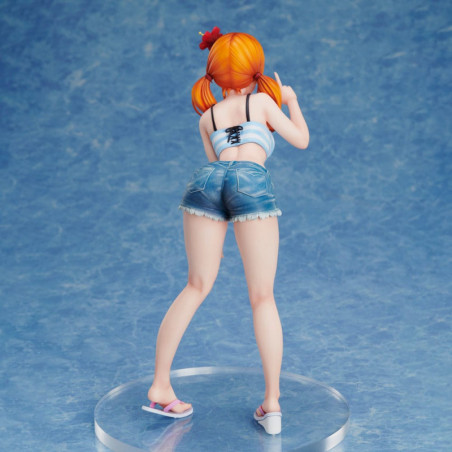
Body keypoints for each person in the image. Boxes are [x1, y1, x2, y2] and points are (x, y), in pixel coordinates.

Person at [142, 28, 309, 435]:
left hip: (206, 182)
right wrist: (291, 100)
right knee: (262, 296)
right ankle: (272, 403)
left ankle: (160, 385)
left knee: (195, 285)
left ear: (215, 76)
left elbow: (219, 162)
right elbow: (301, 140)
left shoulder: (207, 117)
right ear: (255, 72)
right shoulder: (265, 103)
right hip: (249, 181)